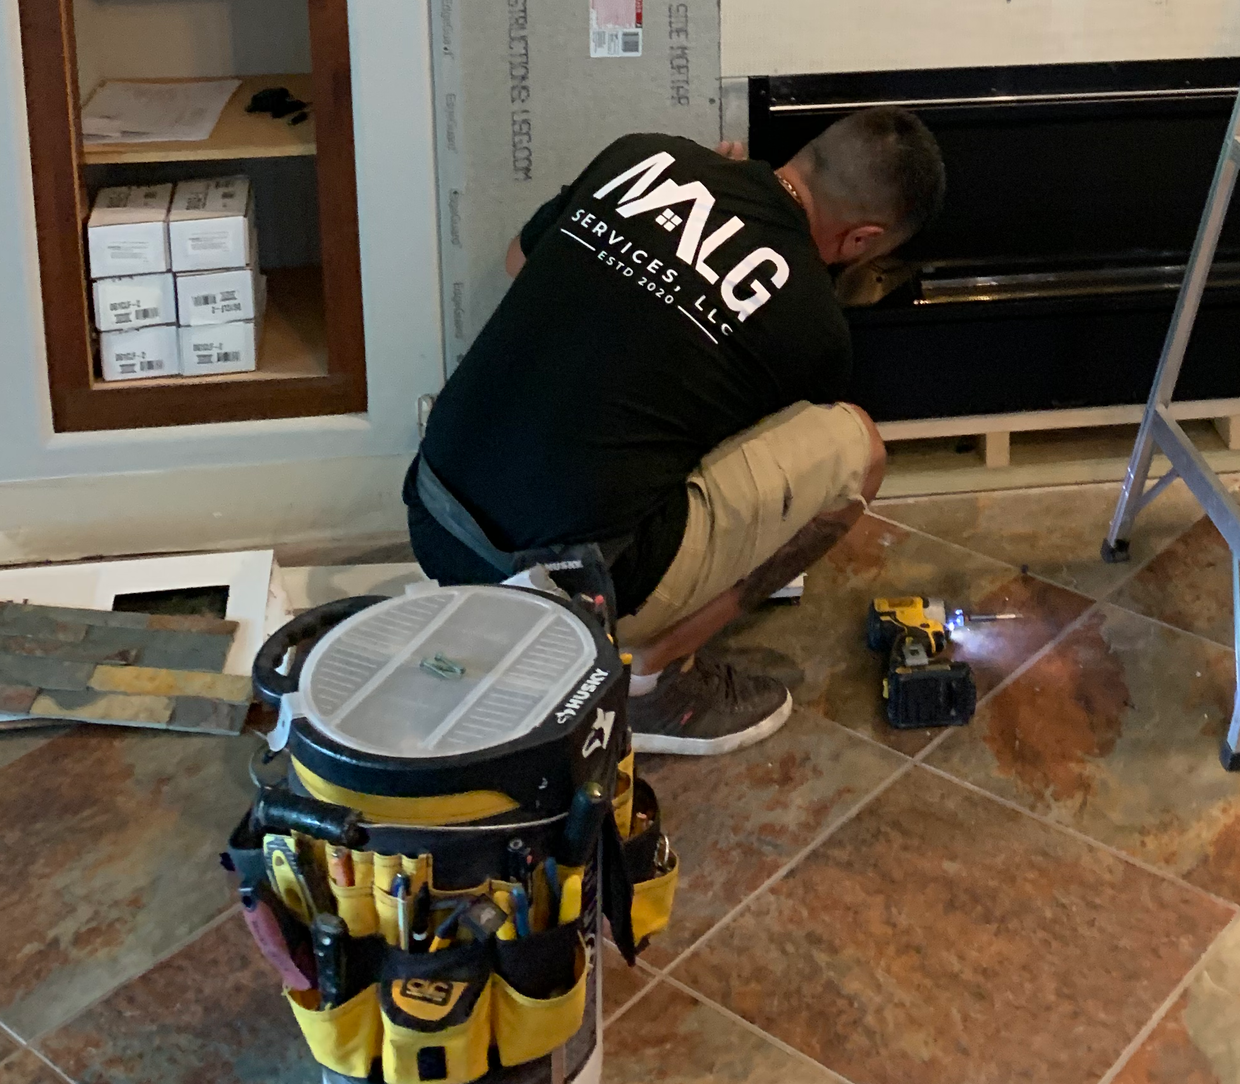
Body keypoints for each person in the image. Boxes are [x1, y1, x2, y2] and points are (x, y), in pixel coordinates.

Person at [403, 105, 946, 758]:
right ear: (861, 240)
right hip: (568, 587)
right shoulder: (812, 320)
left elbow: (521, 259)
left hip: (436, 518)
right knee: (857, 448)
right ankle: (652, 678)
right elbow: (747, 444)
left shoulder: (642, 154)